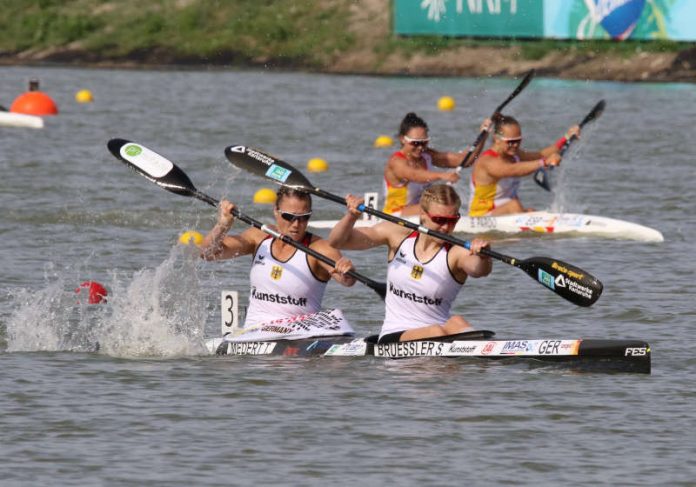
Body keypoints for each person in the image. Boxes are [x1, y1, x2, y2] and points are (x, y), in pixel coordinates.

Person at [328, 184, 492, 343]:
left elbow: (479, 270)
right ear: (422, 214)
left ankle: (483, 352)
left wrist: (483, 256)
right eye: (439, 220)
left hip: (441, 332)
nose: (446, 228)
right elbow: (338, 242)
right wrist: (351, 216)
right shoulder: (397, 235)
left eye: (452, 220)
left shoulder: (456, 252)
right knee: (436, 330)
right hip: (395, 334)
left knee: (457, 321)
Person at [199, 187, 357, 334]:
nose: (296, 225)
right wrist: (223, 225)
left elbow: (347, 281)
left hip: (299, 337)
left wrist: (348, 271)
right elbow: (207, 253)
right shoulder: (259, 236)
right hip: (255, 333)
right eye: (289, 217)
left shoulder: (320, 248)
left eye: (303, 218)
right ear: (276, 211)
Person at [468, 114, 581, 216]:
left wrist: (566, 138)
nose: (515, 145)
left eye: (518, 140)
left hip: (504, 211)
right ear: (497, 139)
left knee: (530, 211)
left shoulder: (514, 153)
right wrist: (544, 163)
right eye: (511, 141)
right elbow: (512, 170)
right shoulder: (487, 161)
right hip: (481, 215)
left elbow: (541, 155)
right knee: (514, 205)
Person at [383, 112, 492, 216]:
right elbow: (415, 175)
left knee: (444, 203)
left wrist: (484, 134)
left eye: (424, 142)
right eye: (415, 143)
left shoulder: (427, 155)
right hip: (396, 214)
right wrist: (442, 175)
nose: (420, 147)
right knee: (439, 204)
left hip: (424, 209)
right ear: (402, 139)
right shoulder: (396, 162)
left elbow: (465, 160)